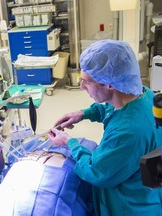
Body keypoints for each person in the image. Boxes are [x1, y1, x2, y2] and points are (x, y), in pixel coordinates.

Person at [48, 40, 162, 216]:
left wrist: (69, 143)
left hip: (130, 207)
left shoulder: (128, 131)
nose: (81, 86)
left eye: (86, 82)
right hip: (146, 191)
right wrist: (83, 113)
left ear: (109, 84)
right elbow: (114, 106)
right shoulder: (142, 94)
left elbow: (97, 171)